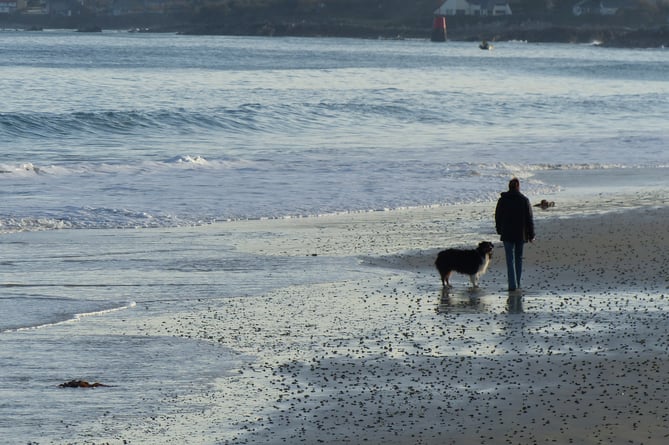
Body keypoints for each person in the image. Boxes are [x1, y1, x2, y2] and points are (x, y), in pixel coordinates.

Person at [495, 178, 535, 291]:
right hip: (520, 234)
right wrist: (531, 234)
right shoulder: (524, 200)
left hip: (507, 233)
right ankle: (518, 283)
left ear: (509, 187)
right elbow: (529, 219)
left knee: (509, 259)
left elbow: (498, 217)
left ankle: (512, 285)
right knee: (518, 258)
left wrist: (499, 230)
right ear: (518, 187)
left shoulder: (503, 200)